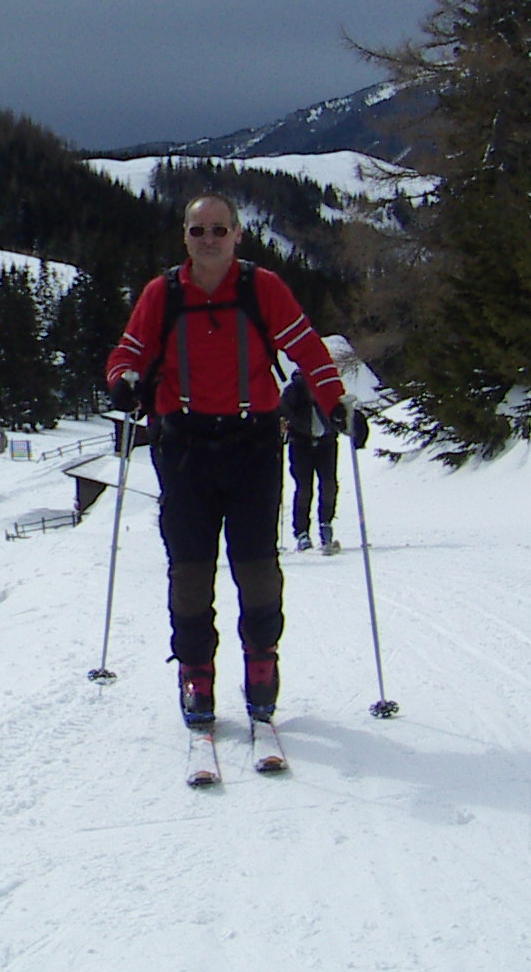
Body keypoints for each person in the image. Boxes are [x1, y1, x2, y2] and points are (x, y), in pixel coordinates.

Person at [105, 193, 346, 727]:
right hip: (183, 445)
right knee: (190, 568)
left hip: (252, 443)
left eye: (219, 230)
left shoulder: (262, 288)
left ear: (238, 233)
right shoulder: (163, 293)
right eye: (198, 231)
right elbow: (128, 351)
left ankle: (261, 663)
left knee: (257, 566)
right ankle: (196, 673)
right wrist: (123, 380)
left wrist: (335, 402)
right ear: (185, 237)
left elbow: (307, 349)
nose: (209, 240)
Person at [281, 367, 365, 553]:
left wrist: (351, 426)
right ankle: (302, 532)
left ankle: (325, 523)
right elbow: (283, 412)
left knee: (328, 484)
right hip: (301, 443)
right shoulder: (293, 391)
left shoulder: (327, 388)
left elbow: (341, 411)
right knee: (304, 488)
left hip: (327, 442)